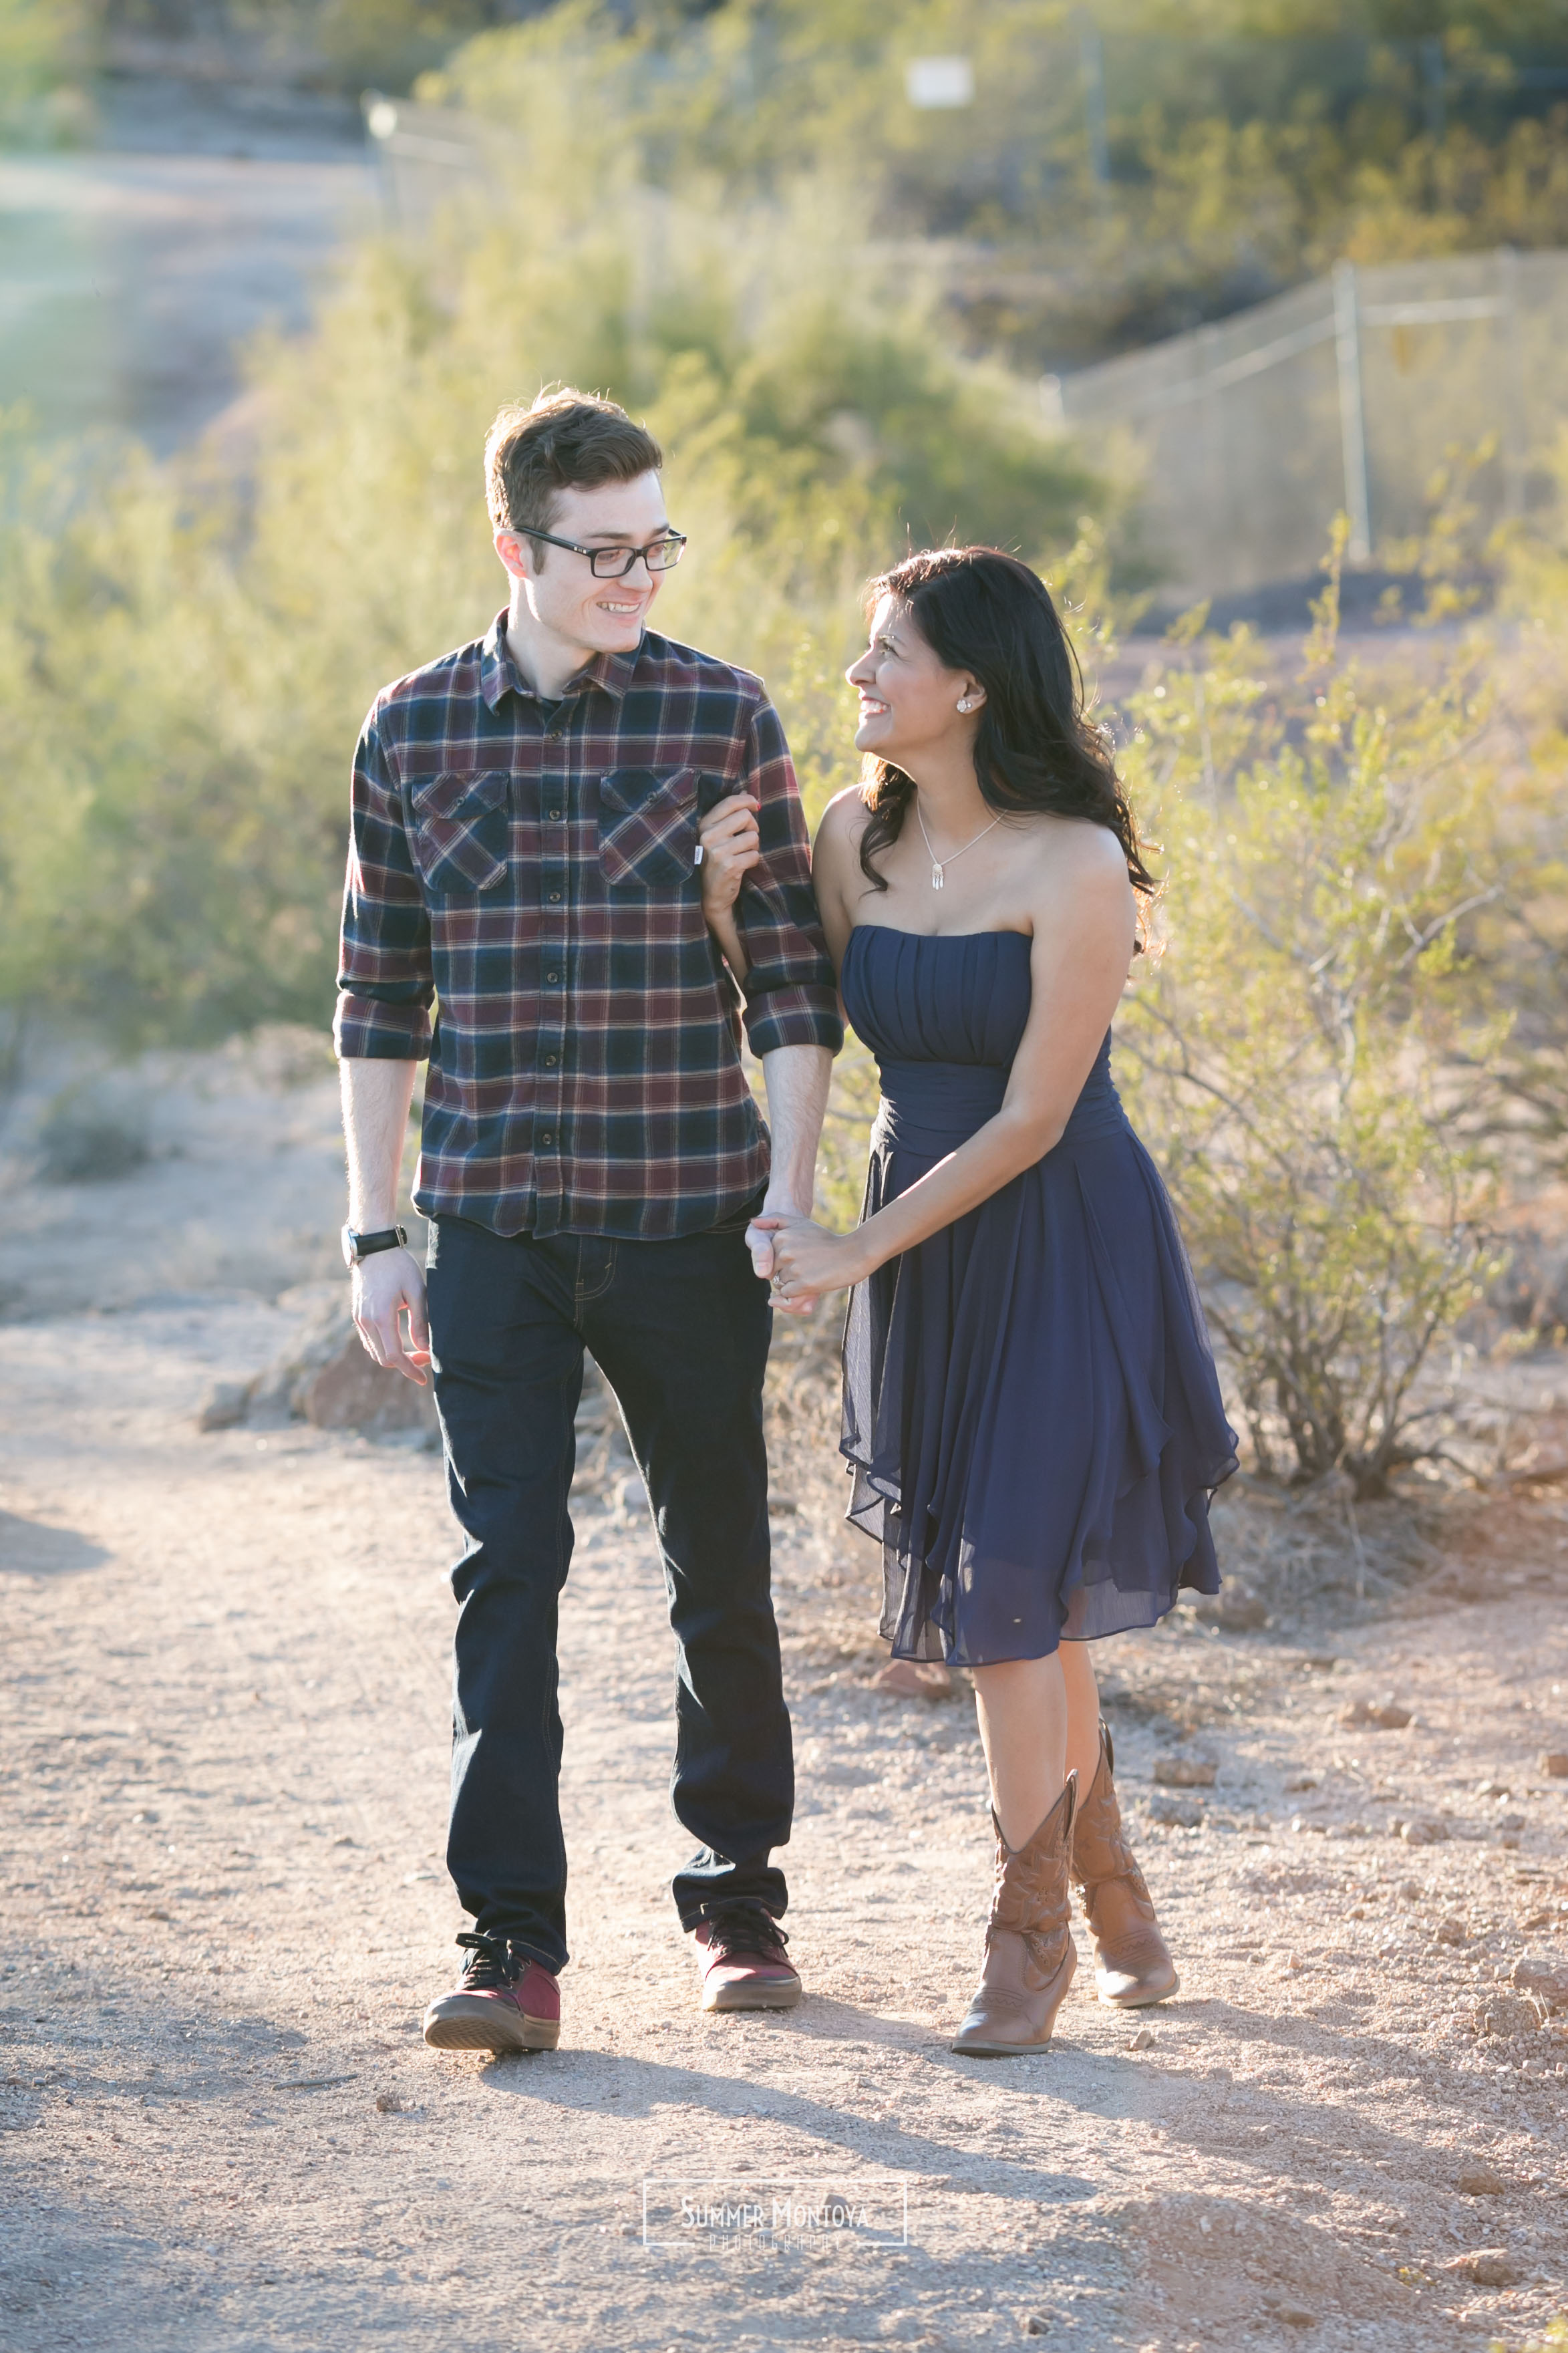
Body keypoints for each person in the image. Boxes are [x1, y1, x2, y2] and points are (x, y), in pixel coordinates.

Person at [335, 387, 841, 2054]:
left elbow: (788, 984)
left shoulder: (721, 717)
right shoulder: (410, 733)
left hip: (689, 1217)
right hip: (485, 1224)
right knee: (509, 1575)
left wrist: (788, 1185)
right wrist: (373, 1233)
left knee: (718, 1564)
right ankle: (511, 1948)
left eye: (655, 543)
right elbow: (375, 1001)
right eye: (605, 550)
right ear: (514, 545)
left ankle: (736, 1900)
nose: (639, 574)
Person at [697, 547, 1237, 2056]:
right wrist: (726, 905)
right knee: (1026, 1576)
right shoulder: (851, 839)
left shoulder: (1074, 868)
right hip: (921, 1228)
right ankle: (1110, 1868)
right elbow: (795, 1006)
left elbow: (1034, 1119)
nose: (858, 675)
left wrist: (857, 1252)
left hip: (1058, 1228)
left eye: (887, 653)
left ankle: (1029, 1935)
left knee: (1004, 1604)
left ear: (971, 686)